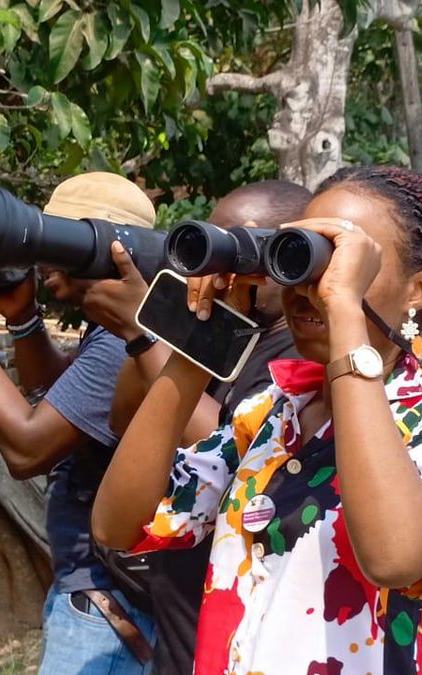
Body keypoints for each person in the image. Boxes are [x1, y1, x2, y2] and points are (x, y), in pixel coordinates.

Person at [92, 166, 422, 674]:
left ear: (418, 289)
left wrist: (345, 312)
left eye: (342, 262)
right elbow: (117, 525)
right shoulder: (270, 415)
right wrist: (200, 337)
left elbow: (395, 559)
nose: (313, 286)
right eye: (300, 256)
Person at [0, 172, 158, 674]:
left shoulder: (122, 342)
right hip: (98, 588)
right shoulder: (120, 328)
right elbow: (62, 390)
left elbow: (27, 448)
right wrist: (23, 319)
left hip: (106, 601)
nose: (41, 257)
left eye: (56, 241)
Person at [81, 180, 311, 675]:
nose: (223, 267)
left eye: (246, 246)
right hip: (184, 632)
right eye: (217, 241)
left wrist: (155, 340)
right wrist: (155, 332)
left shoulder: (295, 360)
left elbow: (230, 445)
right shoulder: (227, 334)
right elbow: (126, 420)